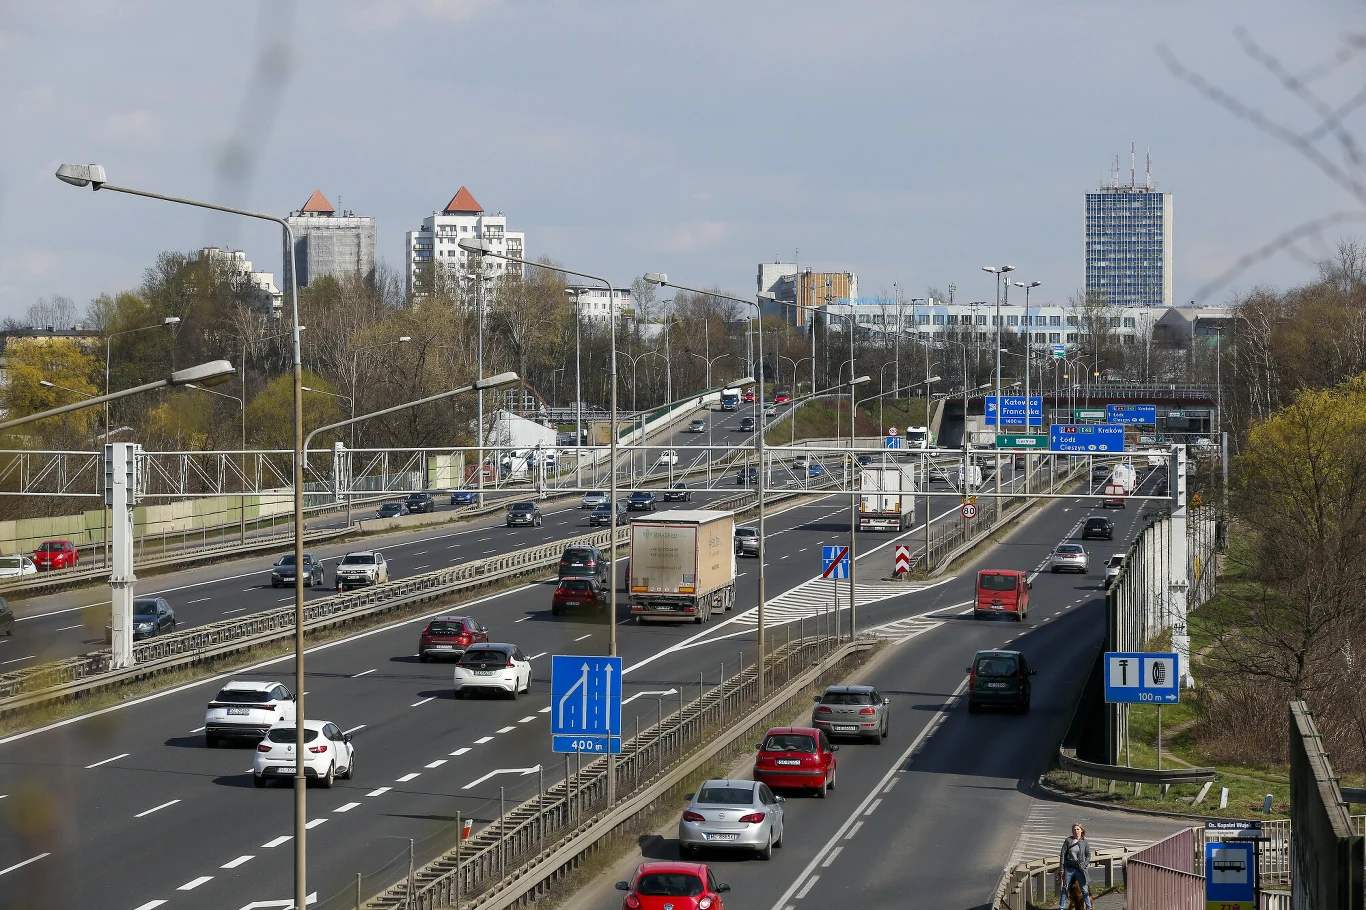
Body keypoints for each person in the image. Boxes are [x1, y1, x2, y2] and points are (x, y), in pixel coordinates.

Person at [1059, 823, 1092, 910]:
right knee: (1065, 889)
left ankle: (1089, 907)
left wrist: (1085, 864)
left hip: (1080, 869)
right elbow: (1062, 855)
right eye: (1074, 829)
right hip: (1069, 868)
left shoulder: (1085, 842)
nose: (1076, 831)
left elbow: (1088, 855)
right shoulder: (1068, 841)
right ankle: (1061, 908)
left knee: (1084, 890)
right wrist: (1061, 869)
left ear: (1081, 830)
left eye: (1078, 829)